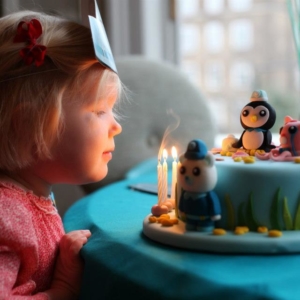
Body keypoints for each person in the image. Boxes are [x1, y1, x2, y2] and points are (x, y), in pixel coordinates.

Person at [0, 10, 123, 299]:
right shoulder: (7, 216)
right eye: (99, 111)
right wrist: (63, 289)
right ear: (28, 126)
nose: (116, 126)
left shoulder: (27, 196)